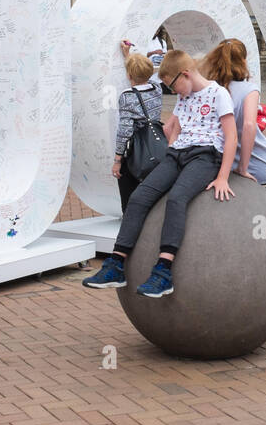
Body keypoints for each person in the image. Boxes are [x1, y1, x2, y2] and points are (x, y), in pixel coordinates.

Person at [83, 50, 237, 298]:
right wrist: (173, 147)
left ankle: (163, 271)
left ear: (185, 74)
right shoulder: (185, 95)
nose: (174, 92)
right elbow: (170, 127)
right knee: (139, 196)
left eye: (172, 86)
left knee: (177, 199)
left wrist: (223, 176)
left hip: (205, 156)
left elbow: (232, 136)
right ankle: (116, 265)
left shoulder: (219, 94)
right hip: (177, 154)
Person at [200, 38, 266, 196]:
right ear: (243, 61)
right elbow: (249, 125)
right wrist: (243, 167)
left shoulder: (210, 89)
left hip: (222, 162)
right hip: (255, 166)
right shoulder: (249, 89)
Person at [112, 51, 164, 212]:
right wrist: (128, 56)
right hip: (157, 146)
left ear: (128, 75)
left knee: (129, 192)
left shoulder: (127, 97)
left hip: (137, 150)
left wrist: (118, 160)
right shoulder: (156, 88)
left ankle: (130, 222)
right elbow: (141, 74)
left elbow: (125, 130)